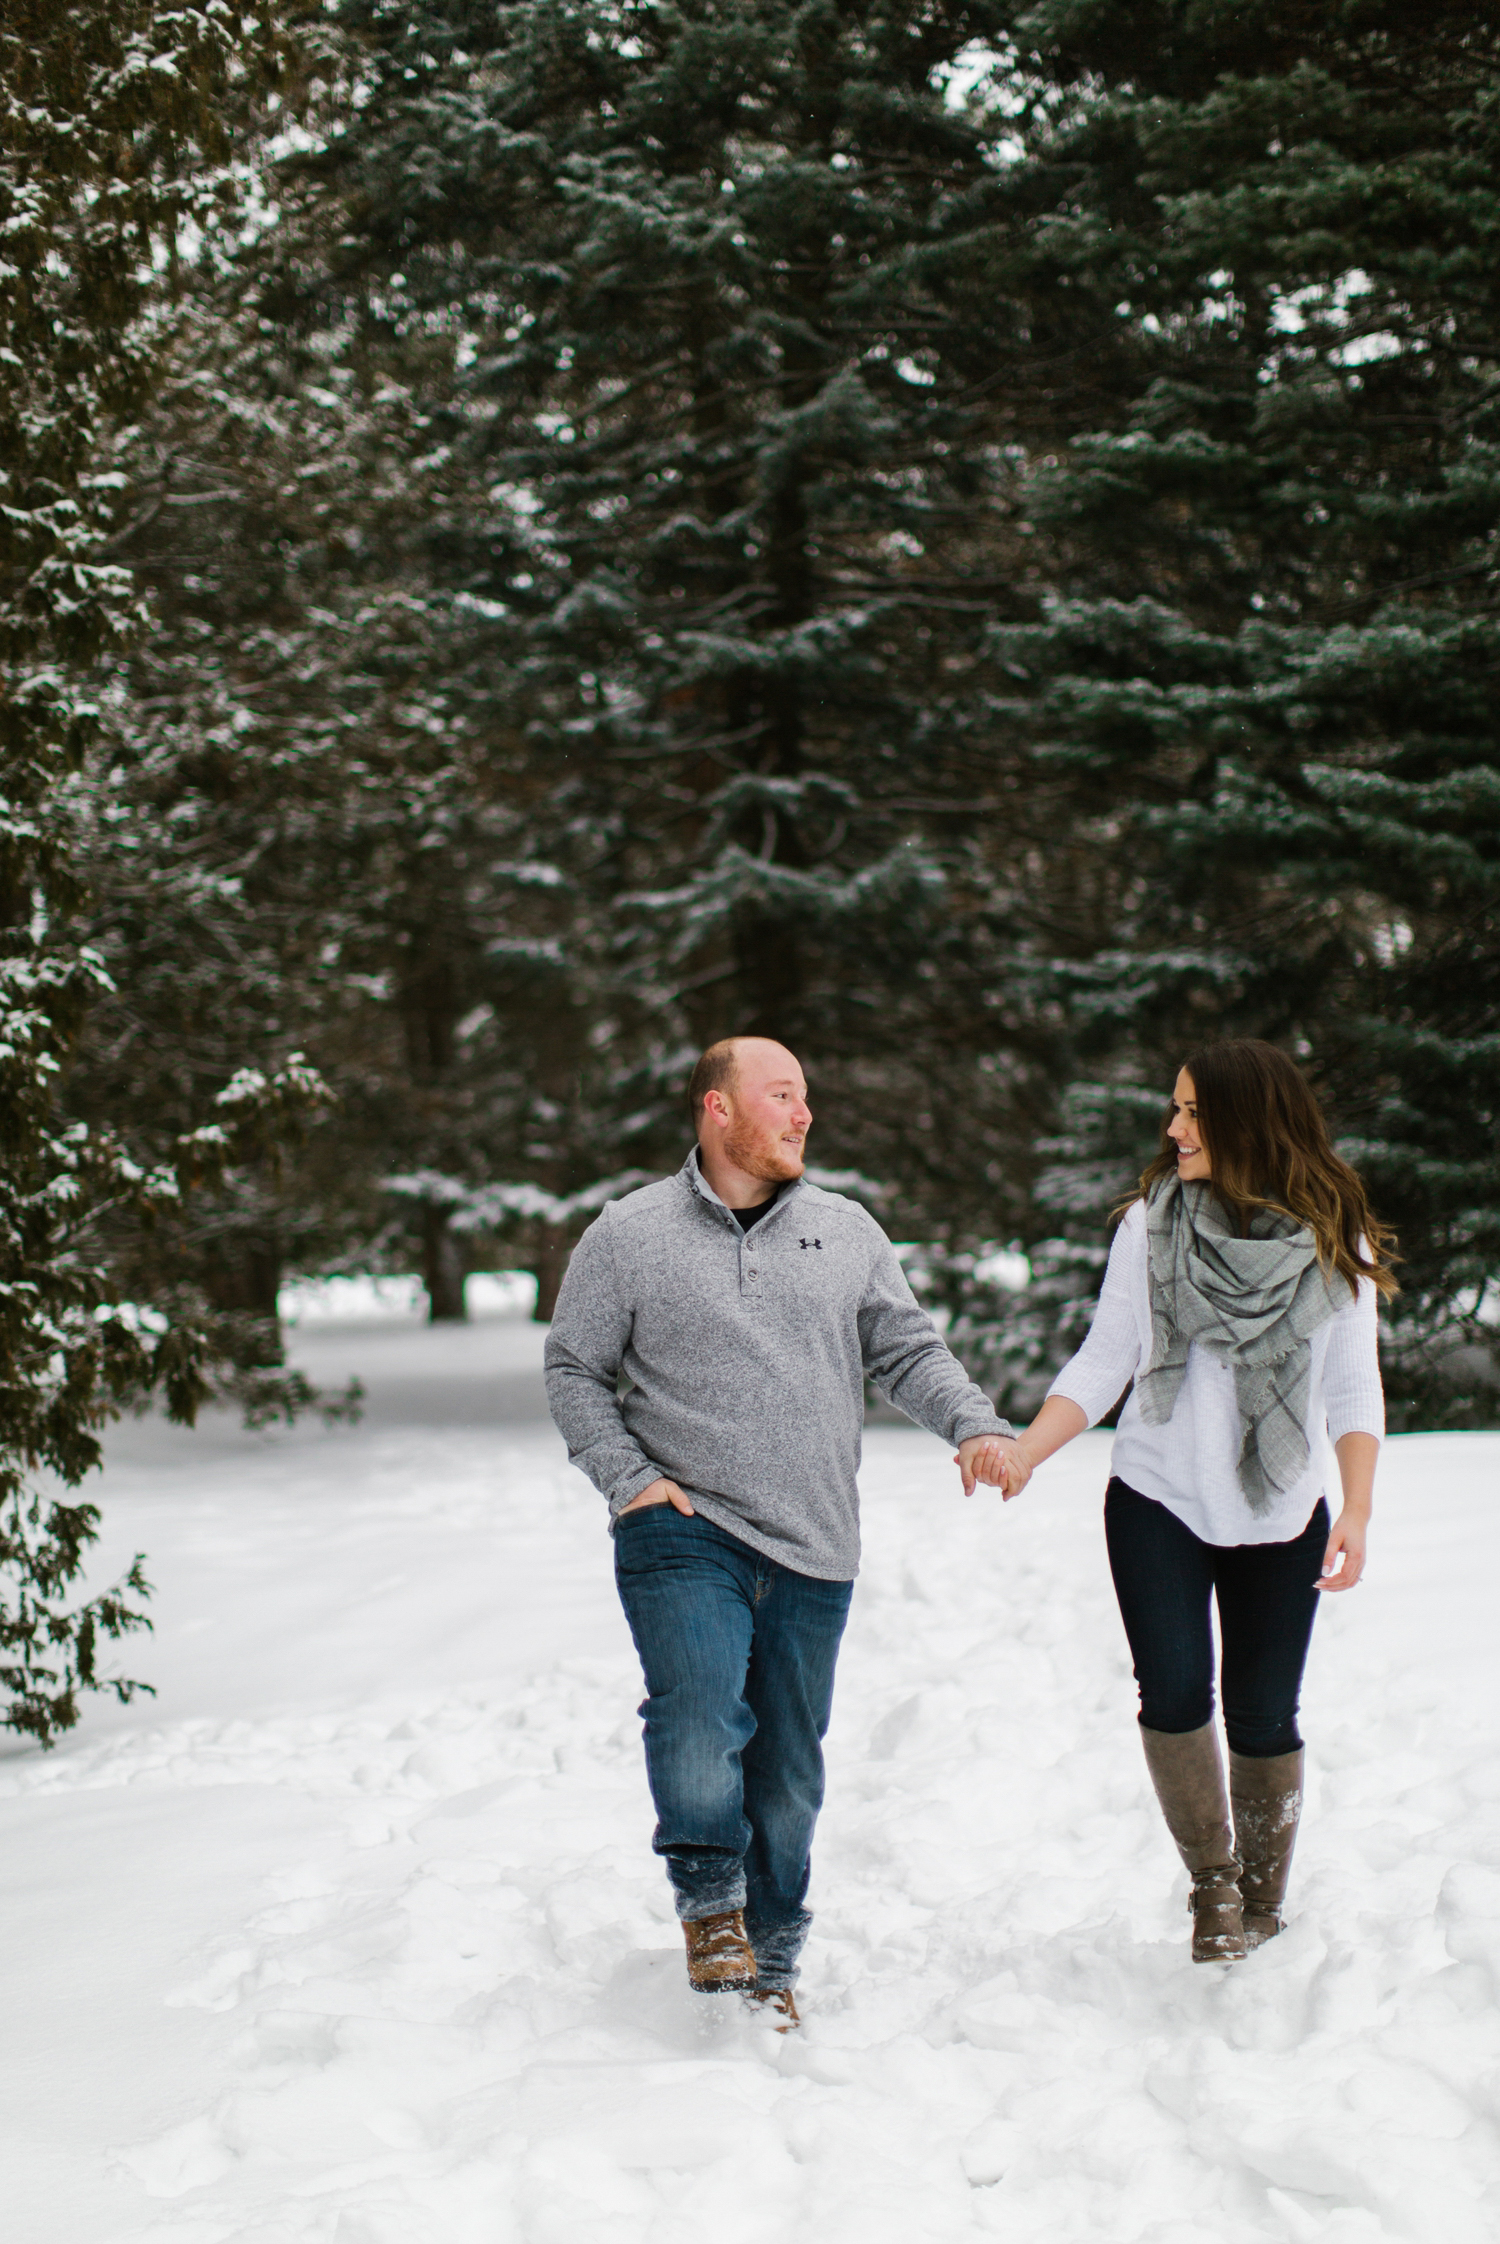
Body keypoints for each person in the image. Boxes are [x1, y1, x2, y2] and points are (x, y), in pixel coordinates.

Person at [543, 1035, 1023, 2025]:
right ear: (718, 1110)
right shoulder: (629, 1236)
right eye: (782, 1095)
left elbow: (906, 1352)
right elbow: (573, 1369)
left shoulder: (846, 1232)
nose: (804, 1115)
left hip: (815, 1540)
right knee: (700, 1706)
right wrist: (628, 1480)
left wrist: (973, 1424)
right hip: (684, 1526)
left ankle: (773, 1958)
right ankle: (711, 1900)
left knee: (790, 1773)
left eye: (806, 1096)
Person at [991, 1040, 1394, 1962]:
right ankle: (1213, 1885)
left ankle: (1264, 1895)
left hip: (1283, 1509)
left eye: (1193, 1113)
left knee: (1263, 1714)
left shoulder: (1334, 1238)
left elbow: (1351, 1390)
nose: (1173, 1129)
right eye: (1174, 1110)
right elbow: (1107, 1358)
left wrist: (1359, 1511)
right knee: (1173, 1693)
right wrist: (1027, 1451)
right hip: (1159, 1497)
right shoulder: (1150, 1225)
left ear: (1247, 1121)